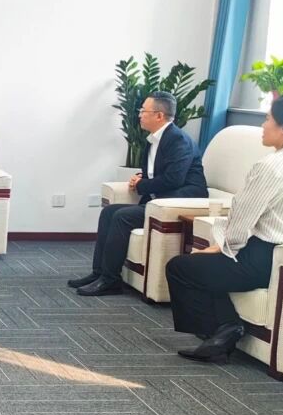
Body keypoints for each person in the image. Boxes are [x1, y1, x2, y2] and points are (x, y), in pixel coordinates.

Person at [168, 94, 283, 362]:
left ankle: (223, 329)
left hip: (261, 258)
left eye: (268, 119)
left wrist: (222, 247)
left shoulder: (273, 165)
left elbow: (242, 219)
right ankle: (223, 328)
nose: (263, 126)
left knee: (181, 267)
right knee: (206, 266)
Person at [70, 91, 208, 296]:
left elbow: (174, 179)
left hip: (177, 203)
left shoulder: (178, 140)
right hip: (158, 201)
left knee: (122, 216)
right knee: (108, 212)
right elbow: (159, 172)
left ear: (159, 116)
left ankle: (111, 280)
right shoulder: (154, 139)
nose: (139, 115)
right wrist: (141, 177)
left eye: (144, 111)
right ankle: (99, 273)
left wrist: (143, 184)